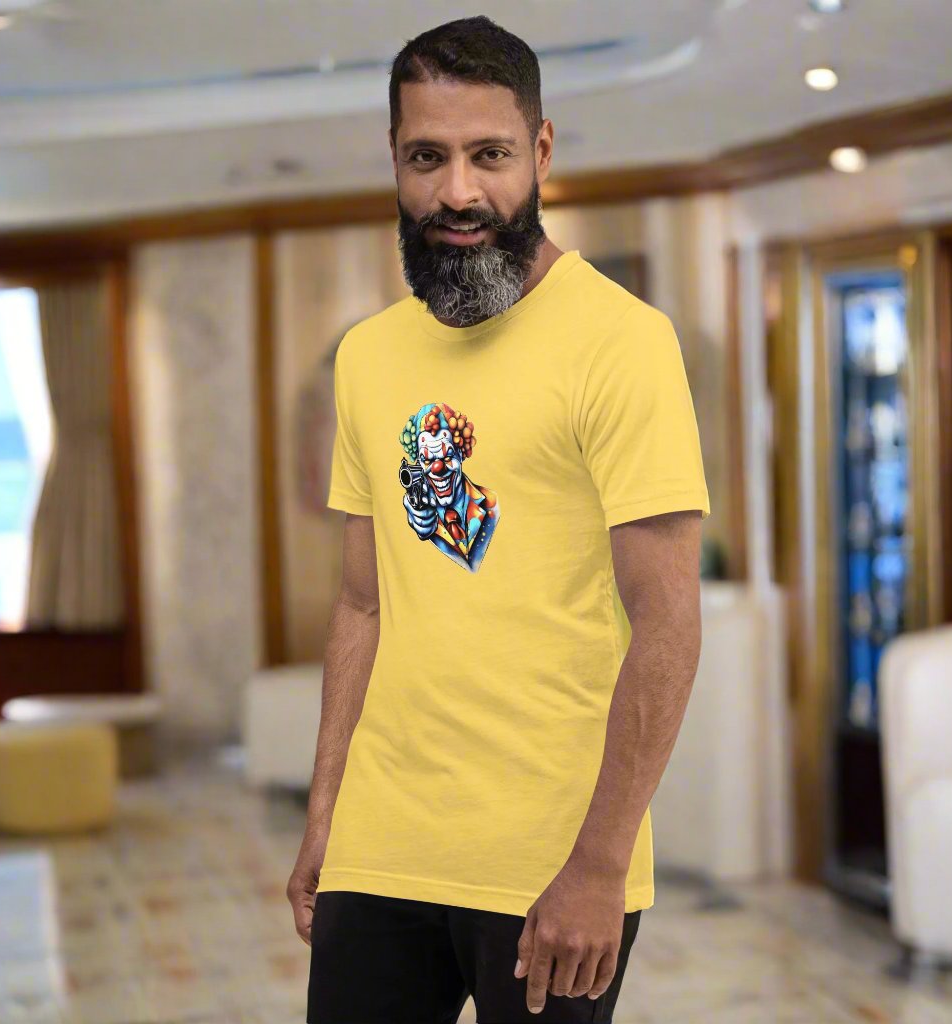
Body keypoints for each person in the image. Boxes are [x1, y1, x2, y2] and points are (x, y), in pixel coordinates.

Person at [288, 15, 710, 1023]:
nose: (458, 192)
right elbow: (362, 604)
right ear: (394, 159)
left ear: (542, 151)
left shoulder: (621, 342)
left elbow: (667, 620)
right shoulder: (368, 356)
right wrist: (326, 811)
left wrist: (600, 863)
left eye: (490, 155)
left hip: (552, 859)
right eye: (426, 157)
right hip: (382, 847)